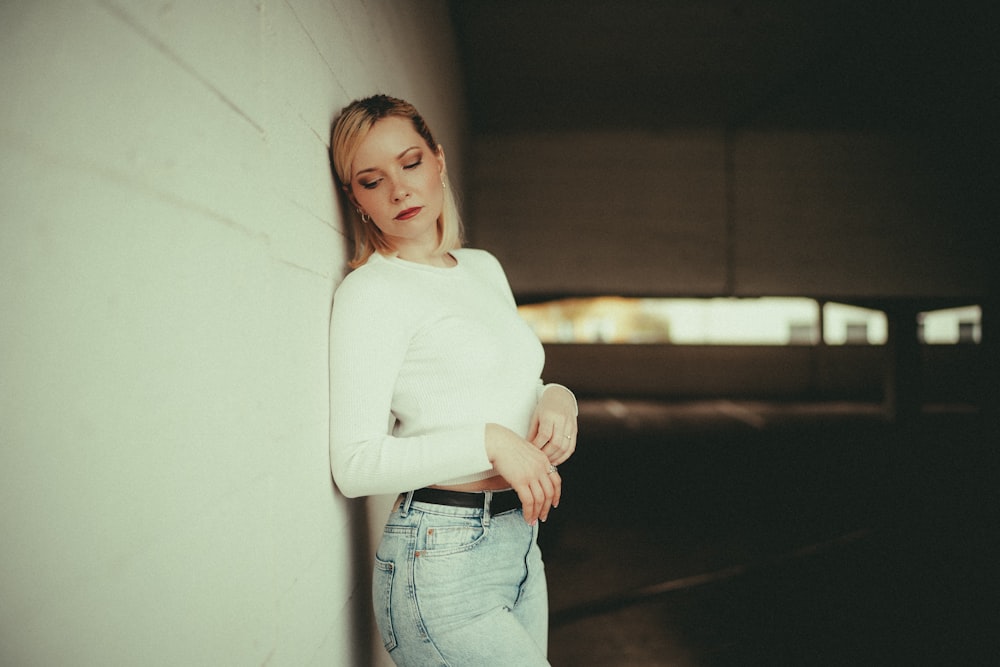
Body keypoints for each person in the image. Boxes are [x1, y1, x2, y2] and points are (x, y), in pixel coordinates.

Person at [327, 94, 578, 666]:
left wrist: (558, 396)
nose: (398, 190)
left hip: (520, 543)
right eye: (371, 180)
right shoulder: (372, 293)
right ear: (355, 199)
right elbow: (355, 463)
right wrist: (487, 441)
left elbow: (511, 380)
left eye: (410, 162)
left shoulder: (483, 268)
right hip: (439, 562)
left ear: (438, 161)